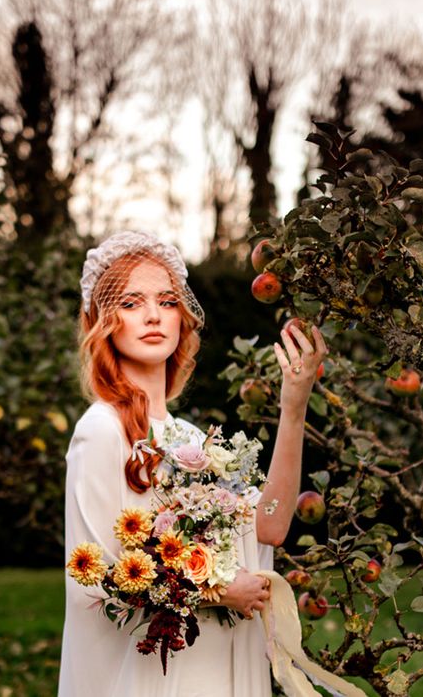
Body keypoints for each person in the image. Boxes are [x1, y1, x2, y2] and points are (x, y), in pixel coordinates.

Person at [58, 230, 327, 697]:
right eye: (129, 303)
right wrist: (220, 590)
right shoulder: (101, 429)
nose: (152, 316)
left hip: (212, 662)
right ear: (104, 322)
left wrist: (294, 406)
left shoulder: (191, 441)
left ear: (183, 320)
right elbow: (99, 573)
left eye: (166, 302)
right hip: (151, 674)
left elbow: (271, 525)